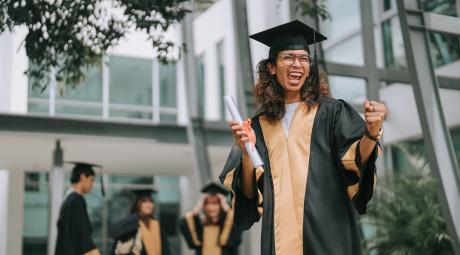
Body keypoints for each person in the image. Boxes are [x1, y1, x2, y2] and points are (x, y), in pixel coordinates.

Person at [219, 20, 387, 255]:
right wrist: (246, 151)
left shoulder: (332, 112)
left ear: (310, 67)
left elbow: (359, 160)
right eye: (288, 57)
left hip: (329, 235)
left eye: (304, 58)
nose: (297, 64)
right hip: (279, 240)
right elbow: (248, 194)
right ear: (271, 68)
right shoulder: (256, 126)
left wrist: (371, 131)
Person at [178, 182, 241, 255]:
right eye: (206, 203)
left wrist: (226, 207)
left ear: (221, 205)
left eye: (214, 203)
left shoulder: (228, 224)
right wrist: (198, 206)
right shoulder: (200, 226)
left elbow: (235, 235)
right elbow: (184, 223)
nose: (210, 207)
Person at [55, 162, 101, 255]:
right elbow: (82, 233)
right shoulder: (76, 200)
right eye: (91, 180)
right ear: (83, 177)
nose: (92, 184)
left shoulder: (67, 199)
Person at [110, 189, 170, 255]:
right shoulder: (132, 223)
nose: (149, 205)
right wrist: (136, 216)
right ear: (138, 204)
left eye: (151, 202)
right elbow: (114, 232)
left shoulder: (156, 224)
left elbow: (165, 248)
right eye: (145, 202)